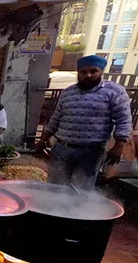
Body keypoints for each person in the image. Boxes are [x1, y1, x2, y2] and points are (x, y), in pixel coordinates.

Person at [35, 55, 133, 190]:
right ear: (78, 72)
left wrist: (119, 146)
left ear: (101, 72)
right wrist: (42, 140)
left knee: (80, 189)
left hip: (91, 151)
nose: (88, 75)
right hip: (62, 149)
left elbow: (124, 120)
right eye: (83, 71)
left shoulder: (114, 91)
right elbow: (56, 119)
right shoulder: (68, 93)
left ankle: (75, 211)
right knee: (55, 186)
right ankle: (50, 210)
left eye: (93, 71)